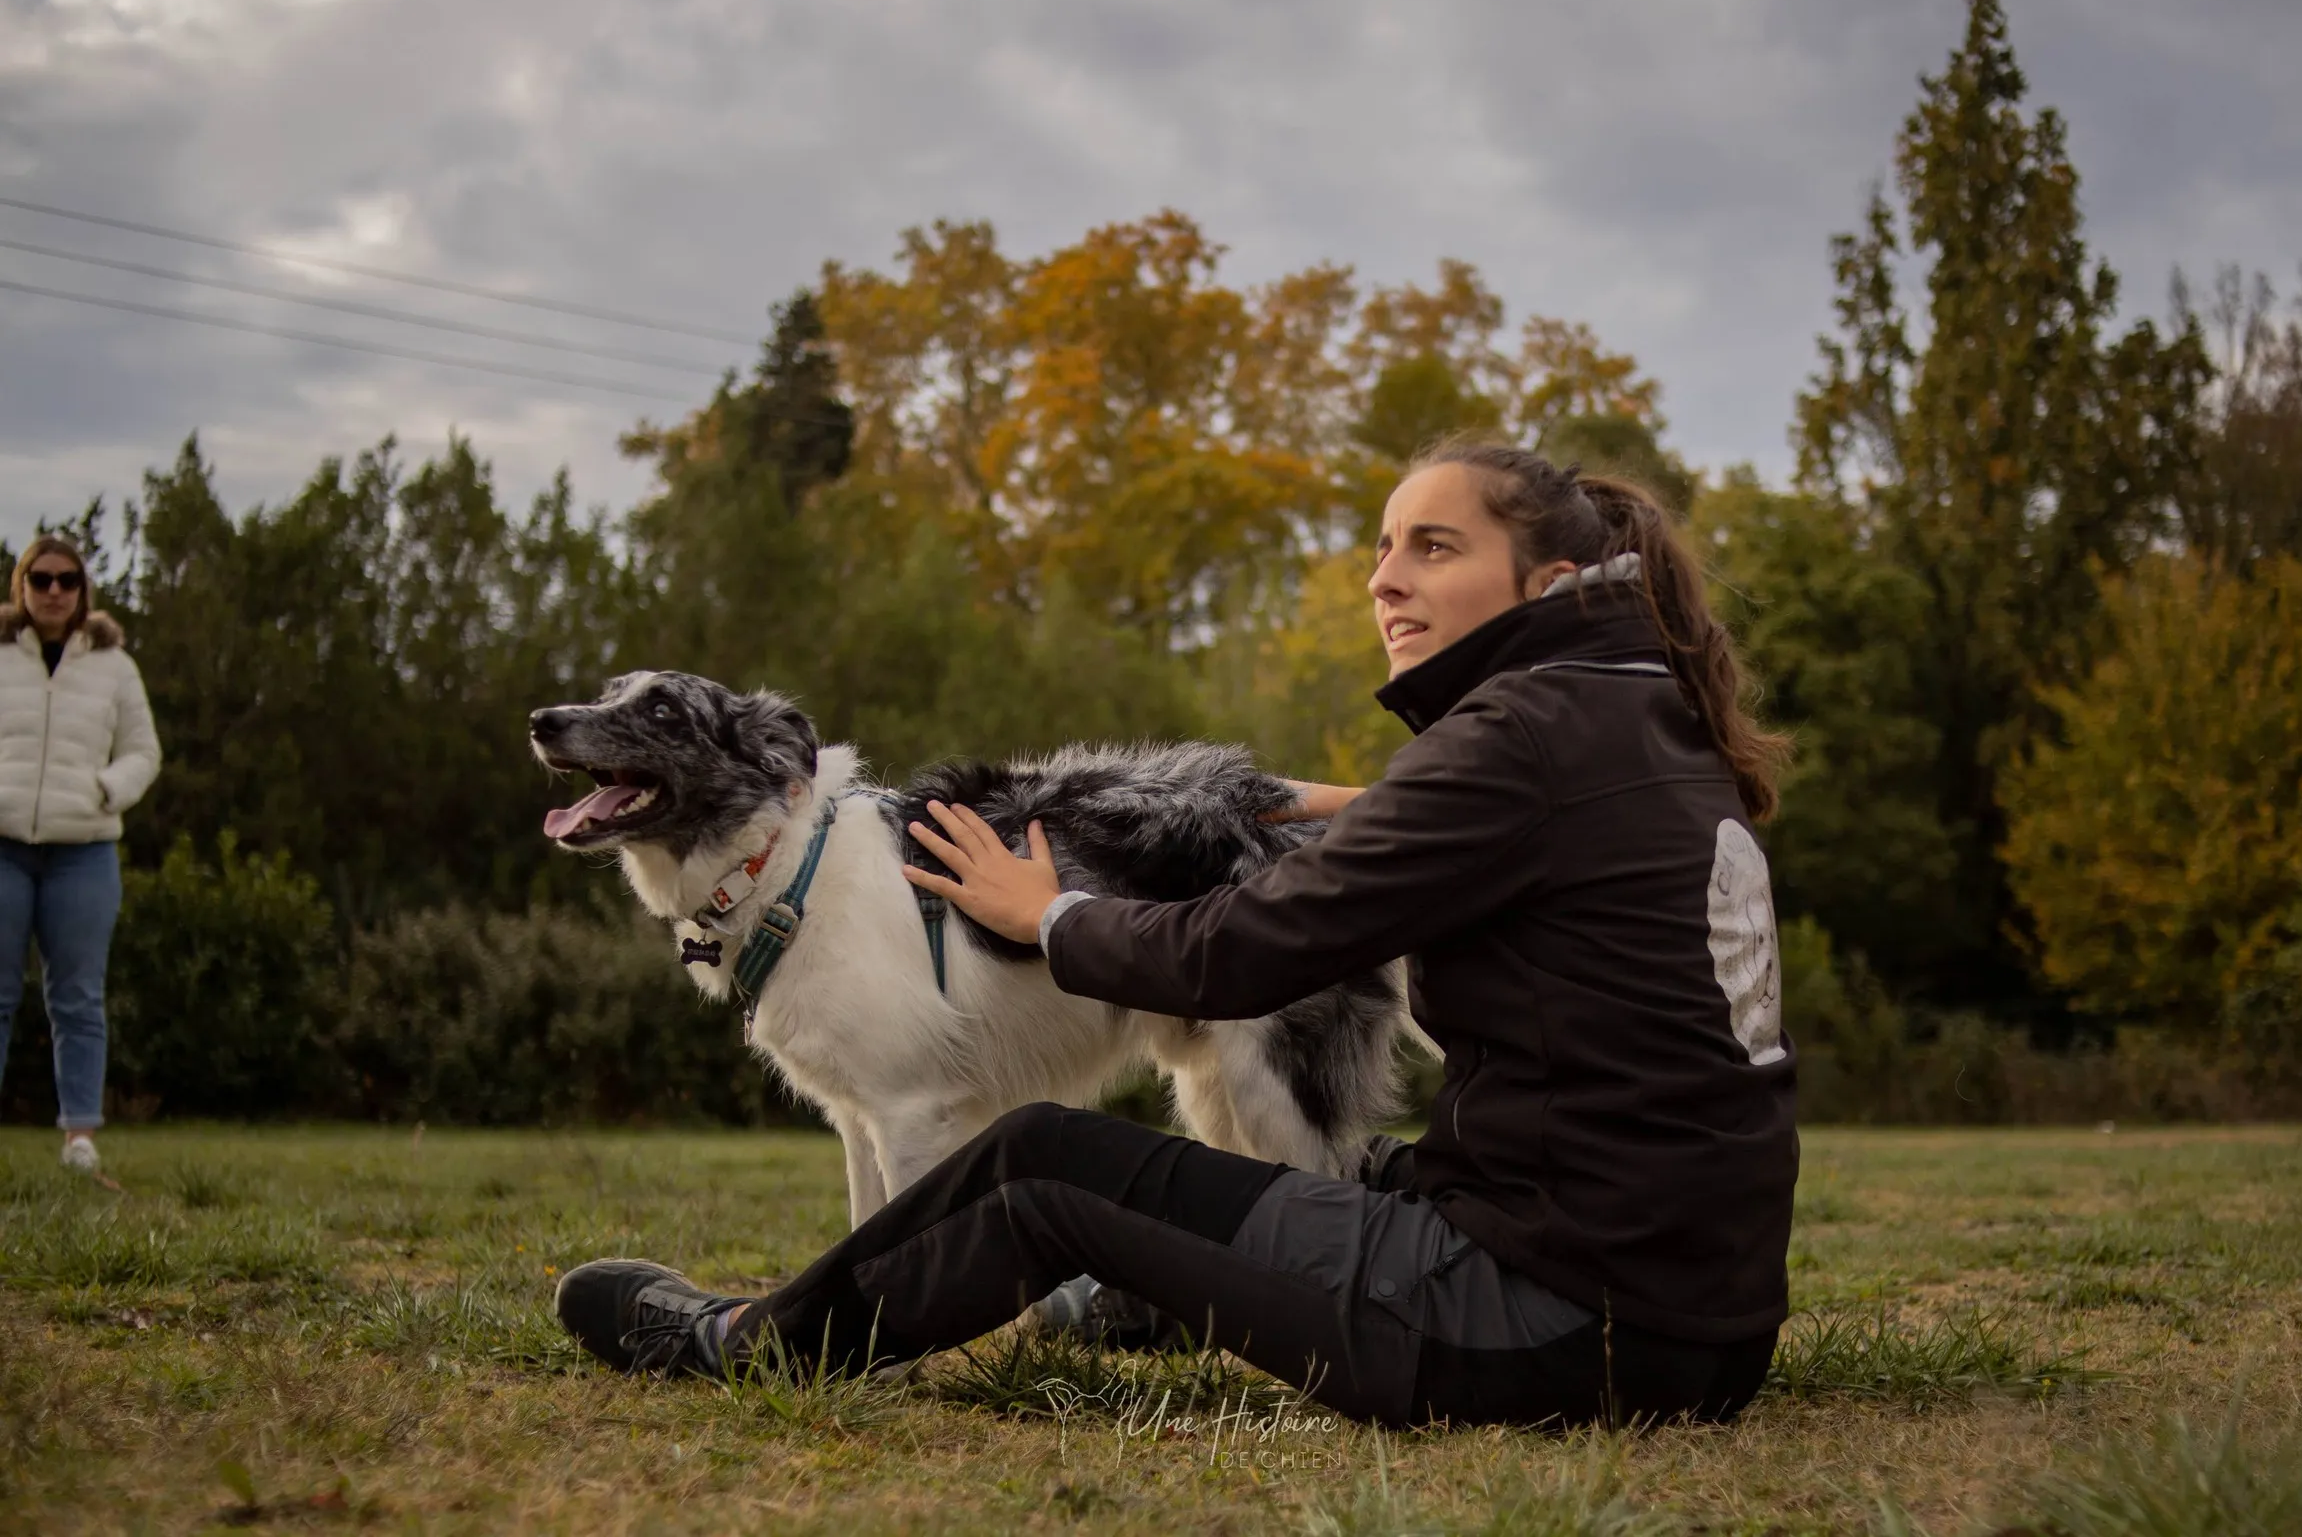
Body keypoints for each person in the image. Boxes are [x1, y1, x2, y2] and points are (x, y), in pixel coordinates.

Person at [553, 439, 1800, 1430]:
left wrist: (1051, 917)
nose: (1384, 578)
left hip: (1543, 1325)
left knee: (1043, 1158)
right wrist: (1311, 799)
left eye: (1432, 546)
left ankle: (750, 1342)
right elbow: (1486, 844)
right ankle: (1140, 1302)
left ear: (1546, 583)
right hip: (1698, 1315)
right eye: (1381, 547)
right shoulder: (1647, 725)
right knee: (1305, 1175)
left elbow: (1237, 952)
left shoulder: (1513, 739)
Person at [0, 535, 161, 1176]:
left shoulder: (114, 665)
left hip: (84, 855)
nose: (55, 591)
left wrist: (106, 790)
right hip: (3, 847)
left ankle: (79, 1139)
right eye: (41, 579)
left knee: (77, 997)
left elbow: (143, 751)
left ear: (82, 589)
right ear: (23, 586)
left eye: (67, 580)